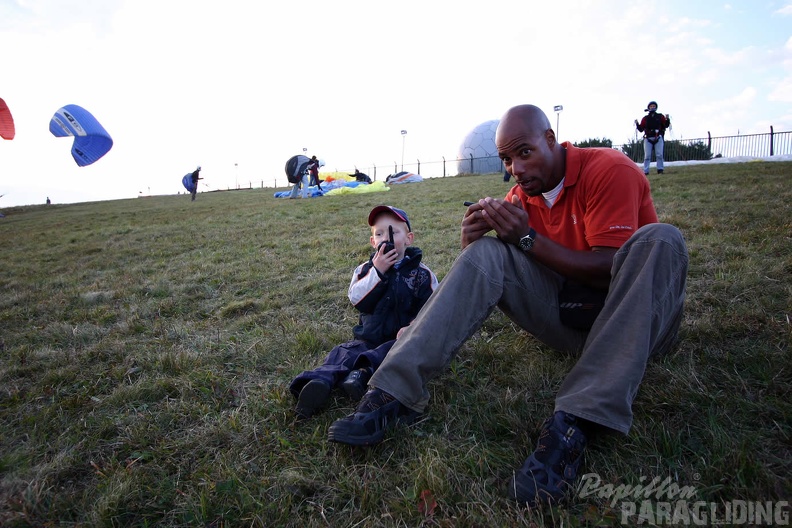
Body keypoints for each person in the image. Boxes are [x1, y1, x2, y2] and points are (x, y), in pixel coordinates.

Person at [328, 104, 688, 507]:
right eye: (506, 159)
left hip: (636, 329)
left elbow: (611, 271)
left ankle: (574, 421)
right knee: (487, 253)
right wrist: (472, 244)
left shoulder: (608, 169)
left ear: (550, 141)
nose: (515, 168)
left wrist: (528, 238)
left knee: (661, 238)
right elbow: (494, 270)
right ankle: (392, 390)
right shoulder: (521, 196)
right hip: (571, 321)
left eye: (524, 152)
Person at [289, 205, 438, 419]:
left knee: (389, 355)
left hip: (400, 341)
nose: (385, 239)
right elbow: (357, 300)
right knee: (343, 352)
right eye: (379, 234)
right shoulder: (364, 270)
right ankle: (317, 382)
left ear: (409, 238)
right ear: (372, 242)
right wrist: (378, 271)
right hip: (367, 338)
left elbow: (433, 308)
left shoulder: (422, 274)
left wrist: (413, 327)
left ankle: (361, 375)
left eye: (393, 232)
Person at [635, 101, 671, 175]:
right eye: (651, 106)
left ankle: (660, 170)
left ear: (656, 107)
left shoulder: (660, 116)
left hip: (658, 137)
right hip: (648, 138)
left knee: (659, 154)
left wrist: (667, 119)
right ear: (648, 108)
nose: (652, 107)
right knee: (647, 156)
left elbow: (665, 125)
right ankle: (645, 171)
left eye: (654, 106)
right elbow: (641, 129)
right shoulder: (645, 118)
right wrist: (637, 124)